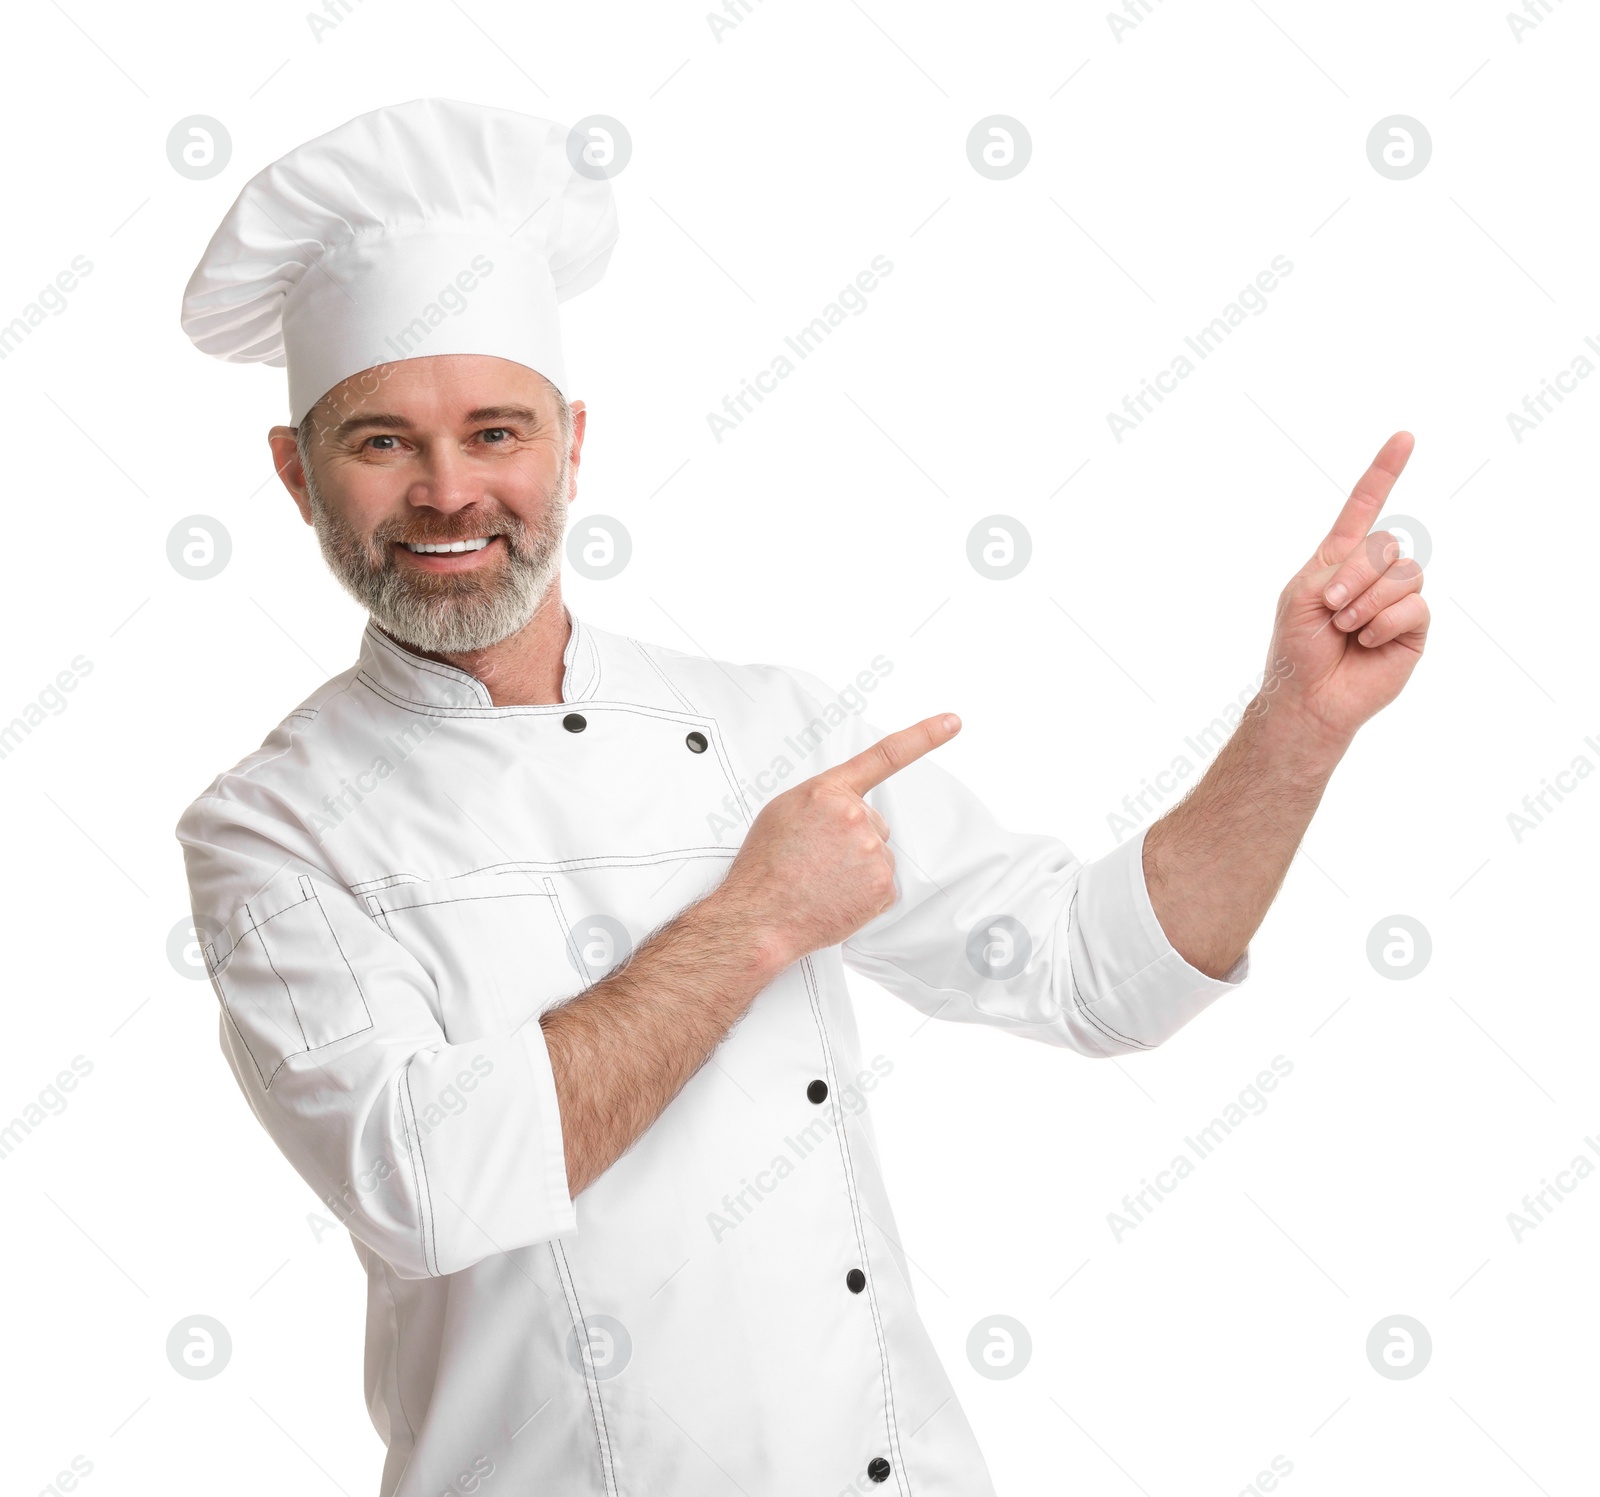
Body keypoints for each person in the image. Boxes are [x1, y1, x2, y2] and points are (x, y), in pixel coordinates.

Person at [175, 97, 1430, 1497]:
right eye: (381, 442)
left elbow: (1096, 975)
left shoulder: (762, 727)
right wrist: (759, 917)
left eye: (495, 430)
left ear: (573, 443)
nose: (451, 490)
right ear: (296, 473)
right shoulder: (270, 827)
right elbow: (429, 1183)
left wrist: (1296, 727)